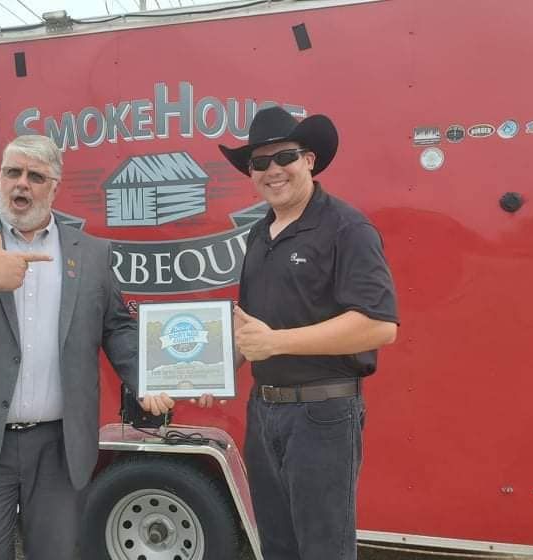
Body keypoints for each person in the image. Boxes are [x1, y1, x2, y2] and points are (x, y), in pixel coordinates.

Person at [0, 135, 174, 560]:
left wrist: (145, 379)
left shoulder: (91, 253)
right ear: (0, 178)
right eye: (12, 172)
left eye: (35, 176)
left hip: (59, 446)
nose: (21, 183)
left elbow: (116, 327)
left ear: (54, 188)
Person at [204, 107, 399, 560]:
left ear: (309, 160)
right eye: (259, 162)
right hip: (264, 411)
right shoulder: (258, 235)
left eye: (285, 157)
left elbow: (378, 325)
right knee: (277, 546)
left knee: (323, 548)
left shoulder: (347, 228)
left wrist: (276, 343)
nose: (272, 170)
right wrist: (215, 369)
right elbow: (251, 322)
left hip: (323, 414)